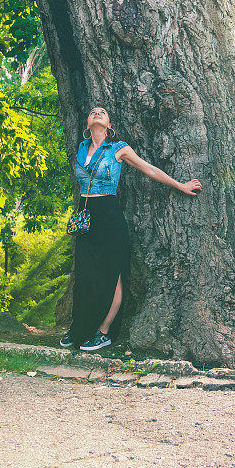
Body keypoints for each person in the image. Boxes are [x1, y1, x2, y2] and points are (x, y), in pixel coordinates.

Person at [59, 106, 203, 352]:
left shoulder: (119, 148)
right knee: (84, 276)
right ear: (87, 122)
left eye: (102, 111)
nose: (97, 113)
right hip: (86, 216)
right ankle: (79, 328)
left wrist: (180, 185)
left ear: (109, 123)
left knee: (114, 275)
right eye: (93, 111)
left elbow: (149, 169)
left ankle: (103, 332)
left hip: (109, 214)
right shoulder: (81, 148)